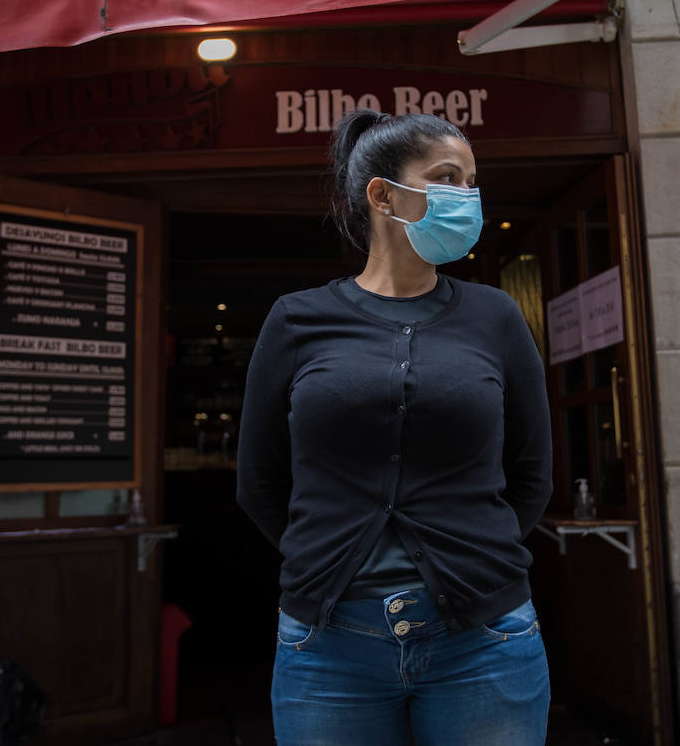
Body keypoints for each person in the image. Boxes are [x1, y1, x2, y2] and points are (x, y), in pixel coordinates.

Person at [236, 108, 554, 746]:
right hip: (327, 644)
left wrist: (474, 561)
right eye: (446, 178)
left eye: (471, 182)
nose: (465, 197)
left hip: (485, 637)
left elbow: (532, 472)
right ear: (383, 194)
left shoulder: (495, 317)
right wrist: (327, 559)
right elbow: (259, 480)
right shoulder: (296, 320)